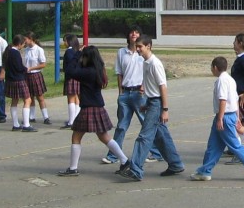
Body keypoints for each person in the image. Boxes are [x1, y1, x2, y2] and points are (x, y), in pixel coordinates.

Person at [118, 35, 185, 181]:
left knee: (144, 136)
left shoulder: (155, 63)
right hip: (152, 102)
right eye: (136, 47)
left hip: (157, 103)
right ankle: (175, 164)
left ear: (149, 46)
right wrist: (146, 103)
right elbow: (151, 86)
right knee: (161, 136)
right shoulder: (145, 62)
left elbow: (163, 87)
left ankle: (135, 170)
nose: (137, 49)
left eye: (140, 46)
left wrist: (165, 109)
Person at [190, 56, 244, 182]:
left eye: (211, 68)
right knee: (213, 146)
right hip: (228, 116)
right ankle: (205, 171)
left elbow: (223, 100)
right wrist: (237, 116)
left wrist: (220, 119)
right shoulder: (230, 79)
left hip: (224, 117)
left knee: (235, 146)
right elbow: (235, 99)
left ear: (215, 68)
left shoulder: (222, 81)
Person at [58, 45, 129, 176]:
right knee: (104, 136)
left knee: (76, 136)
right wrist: (80, 54)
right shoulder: (97, 69)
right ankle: (124, 161)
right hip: (97, 107)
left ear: (87, 58)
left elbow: (69, 71)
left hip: (88, 108)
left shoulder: (87, 72)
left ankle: (73, 168)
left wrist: (76, 54)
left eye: (84, 57)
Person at [101, 25, 163, 164]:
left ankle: (156, 152)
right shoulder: (122, 52)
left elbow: (149, 73)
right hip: (125, 92)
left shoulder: (143, 54)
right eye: (131, 32)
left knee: (146, 124)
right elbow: (119, 73)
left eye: (137, 32)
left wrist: (144, 86)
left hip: (139, 93)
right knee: (121, 125)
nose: (134, 34)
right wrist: (120, 91)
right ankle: (114, 155)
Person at [3, 34, 37, 132]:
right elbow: (19, 67)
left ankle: (15, 124)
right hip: (18, 79)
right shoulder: (15, 53)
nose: (23, 46)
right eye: (23, 44)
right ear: (19, 44)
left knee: (14, 101)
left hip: (10, 80)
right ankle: (26, 124)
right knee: (28, 100)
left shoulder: (8, 52)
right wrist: (26, 69)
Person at [23, 32, 51, 125]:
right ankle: (31, 116)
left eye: (25, 39)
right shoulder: (26, 49)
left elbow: (43, 64)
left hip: (35, 74)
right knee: (29, 97)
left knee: (40, 97)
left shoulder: (39, 50)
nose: (24, 41)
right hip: (27, 75)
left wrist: (31, 68)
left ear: (31, 39)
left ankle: (46, 117)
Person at [60, 34, 81, 129]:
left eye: (65, 41)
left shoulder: (68, 52)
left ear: (69, 41)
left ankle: (71, 121)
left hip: (71, 77)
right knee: (76, 98)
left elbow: (69, 65)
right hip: (77, 76)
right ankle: (76, 119)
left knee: (71, 99)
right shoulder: (77, 50)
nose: (63, 43)